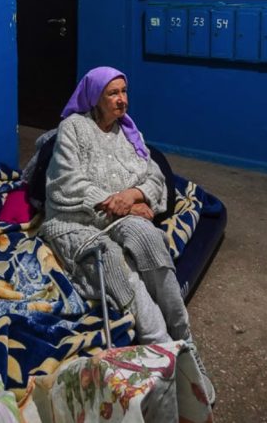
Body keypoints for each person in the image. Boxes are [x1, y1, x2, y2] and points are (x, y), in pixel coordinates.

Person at [39, 66, 215, 402]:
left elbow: (154, 177)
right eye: (113, 93)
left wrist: (133, 196)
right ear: (95, 97)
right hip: (75, 219)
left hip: (119, 212)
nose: (122, 100)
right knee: (114, 261)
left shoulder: (128, 132)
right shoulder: (74, 128)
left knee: (149, 238)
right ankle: (163, 351)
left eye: (124, 92)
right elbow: (65, 183)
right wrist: (118, 202)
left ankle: (185, 340)